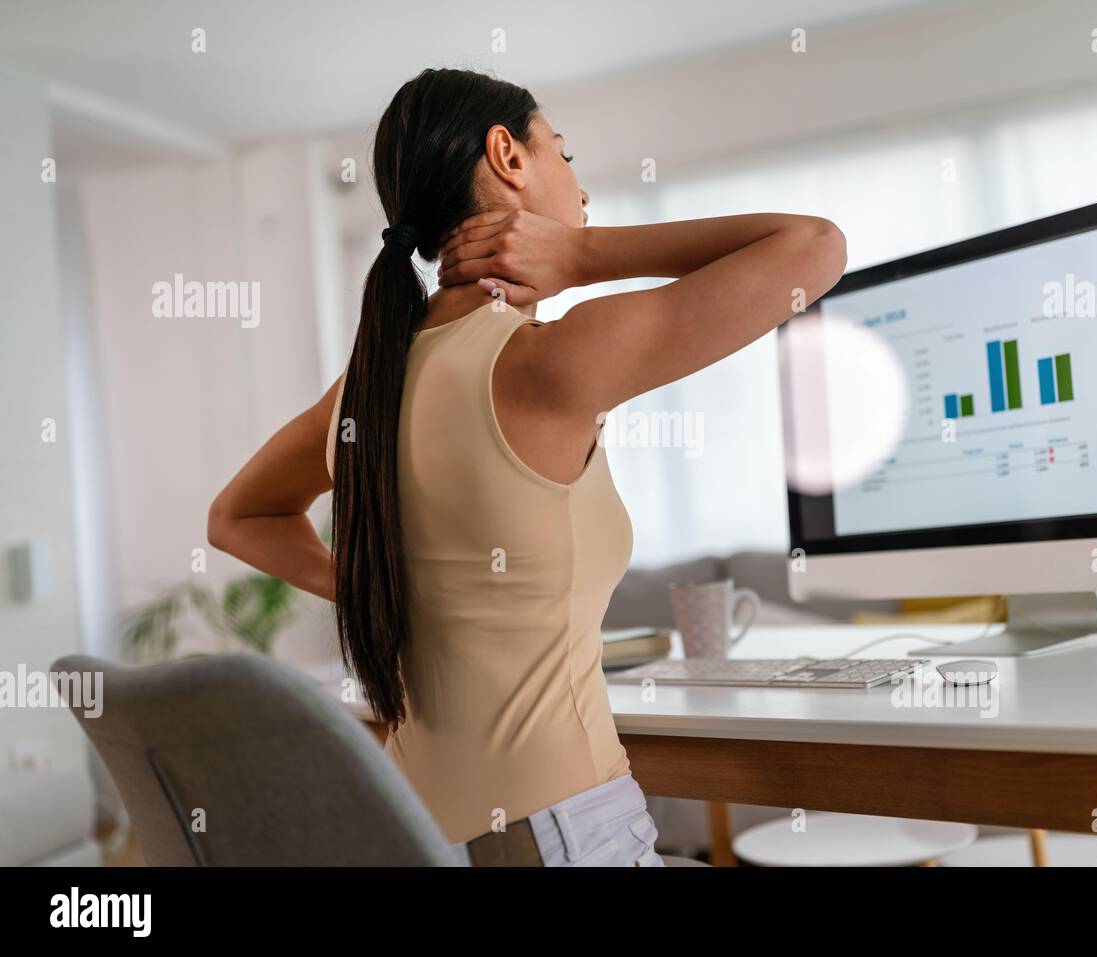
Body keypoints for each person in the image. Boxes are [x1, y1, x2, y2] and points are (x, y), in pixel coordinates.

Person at [207, 67, 846, 866]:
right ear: (507, 155)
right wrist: (581, 254)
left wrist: (376, 586)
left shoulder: (365, 387)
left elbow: (236, 518)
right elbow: (816, 248)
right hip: (562, 833)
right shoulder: (544, 362)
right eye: (563, 153)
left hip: (426, 832)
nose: (581, 192)